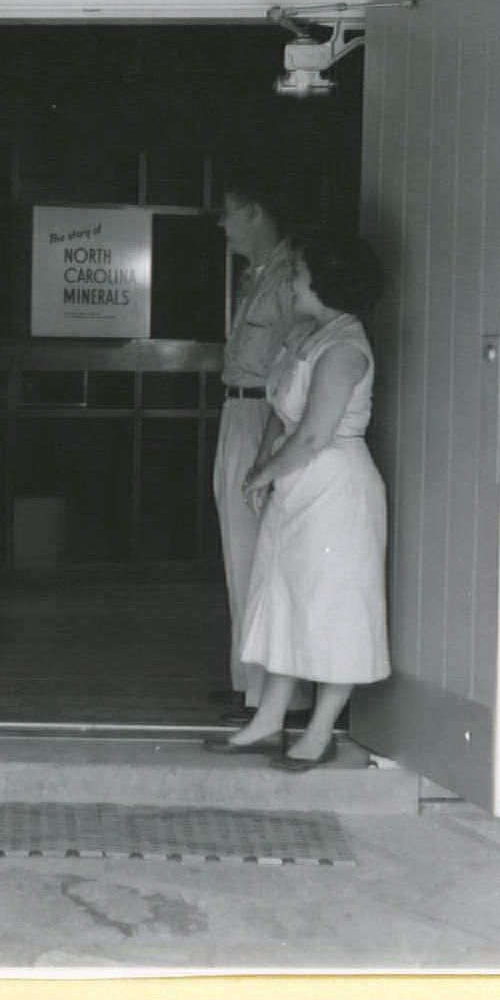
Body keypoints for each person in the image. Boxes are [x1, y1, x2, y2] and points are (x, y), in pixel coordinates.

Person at [207, 232, 391, 768]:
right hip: (298, 484)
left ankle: (320, 729)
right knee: (284, 597)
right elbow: (281, 417)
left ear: (326, 284)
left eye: (301, 274)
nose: (293, 281)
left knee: (332, 605)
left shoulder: (344, 348)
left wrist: (264, 476)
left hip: (333, 487)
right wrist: (265, 472)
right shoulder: (309, 336)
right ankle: (268, 719)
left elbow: (313, 435)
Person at [211, 175, 313, 725]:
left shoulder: (290, 277)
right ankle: (248, 682)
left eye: (229, 213)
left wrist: (273, 444)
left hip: (265, 415)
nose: (223, 226)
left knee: (264, 552)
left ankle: (281, 696)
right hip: (240, 410)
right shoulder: (258, 276)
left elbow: (295, 363)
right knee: (240, 550)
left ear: (254, 210)